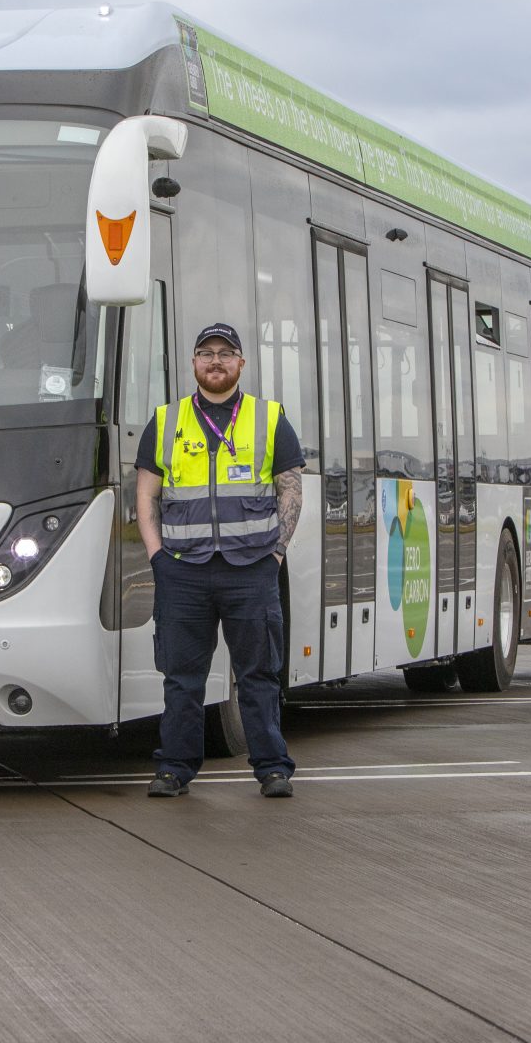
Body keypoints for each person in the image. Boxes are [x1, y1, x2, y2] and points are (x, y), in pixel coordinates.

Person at [135, 322, 304, 798]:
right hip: (183, 570)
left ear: (240, 364)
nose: (215, 361)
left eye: (225, 353)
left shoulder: (269, 418)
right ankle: (174, 769)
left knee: (258, 675)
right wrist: (157, 556)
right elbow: (145, 495)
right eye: (206, 353)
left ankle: (272, 768)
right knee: (181, 679)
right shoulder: (165, 421)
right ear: (193, 363)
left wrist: (275, 553)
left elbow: (290, 490)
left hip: (251, 570)